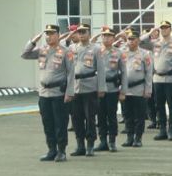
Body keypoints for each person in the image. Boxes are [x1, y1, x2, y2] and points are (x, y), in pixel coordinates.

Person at [22, 24, 70, 162]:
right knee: (47, 123)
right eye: (47, 34)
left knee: (60, 123)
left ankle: (61, 151)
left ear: (58, 35)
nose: (49, 36)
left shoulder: (65, 51)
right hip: (44, 93)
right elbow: (25, 54)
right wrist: (32, 41)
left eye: (52, 33)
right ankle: (51, 150)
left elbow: (71, 73)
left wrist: (70, 92)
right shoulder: (42, 50)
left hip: (59, 93)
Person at [65, 24, 104, 157]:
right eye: (79, 32)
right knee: (76, 118)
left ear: (89, 33)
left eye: (83, 32)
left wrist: (101, 88)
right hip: (75, 87)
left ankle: (90, 145)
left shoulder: (96, 48)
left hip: (90, 86)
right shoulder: (71, 48)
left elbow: (101, 69)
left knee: (90, 118)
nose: (81, 34)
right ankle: (80, 145)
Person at [119, 30, 153, 147]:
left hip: (139, 88)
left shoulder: (145, 54)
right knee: (127, 115)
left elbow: (149, 73)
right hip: (125, 89)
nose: (131, 41)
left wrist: (148, 90)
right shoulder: (122, 53)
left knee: (139, 116)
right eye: (129, 39)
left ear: (138, 40)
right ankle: (129, 137)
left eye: (133, 39)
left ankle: (138, 138)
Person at [150, 21, 172, 140]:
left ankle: (171, 130)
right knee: (159, 106)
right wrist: (151, 32)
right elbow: (142, 42)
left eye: (166, 28)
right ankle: (162, 129)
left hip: (170, 79)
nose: (163, 30)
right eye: (162, 28)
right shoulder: (156, 43)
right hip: (157, 79)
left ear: (170, 29)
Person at [94, 27, 122, 152]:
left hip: (112, 88)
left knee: (111, 115)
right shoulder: (96, 51)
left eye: (109, 36)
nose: (106, 38)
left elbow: (124, 73)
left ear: (113, 38)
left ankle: (112, 141)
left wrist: (124, 90)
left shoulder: (118, 53)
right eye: (104, 36)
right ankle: (103, 141)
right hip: (98, 88)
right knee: (100, 116)